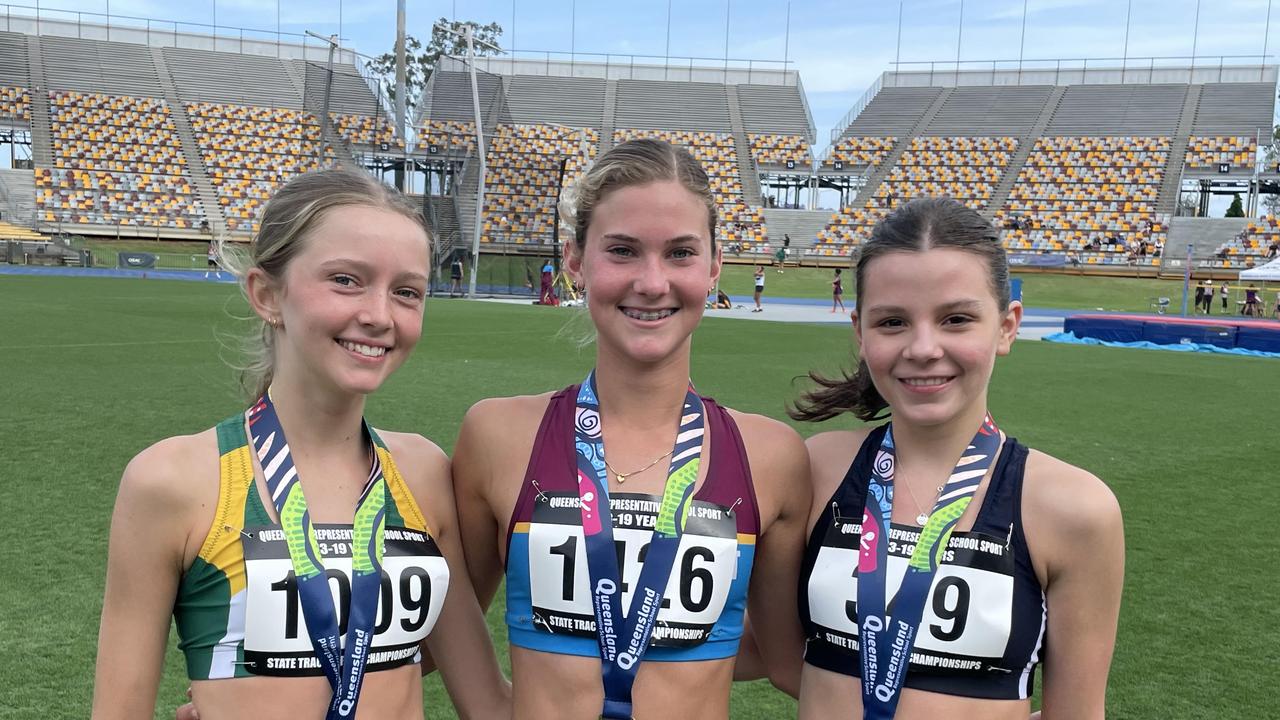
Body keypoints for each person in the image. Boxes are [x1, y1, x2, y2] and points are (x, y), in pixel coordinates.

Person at [93, 169, 510, 720]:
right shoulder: (173, 480)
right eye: (345, 280)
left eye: (406, 292)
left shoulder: (424, 471)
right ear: (267, 294)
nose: (379, 315)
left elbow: (489, 703)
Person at [451, 138, 810, 720]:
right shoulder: (496, 435)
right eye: (622, 251)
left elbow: (787, 658)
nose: (651, 281)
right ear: (575, 261)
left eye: (680, 254)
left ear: (715, 266)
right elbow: (447, 626)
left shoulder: (772, 457)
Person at [790, 198, 1124, 720]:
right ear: (860, 332)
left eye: (956, 319)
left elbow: (1078, 713)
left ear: (1008, 326)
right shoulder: (815, 469)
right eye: (893, 322)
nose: (923, 347)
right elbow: (759, 646)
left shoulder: (1073, 509)